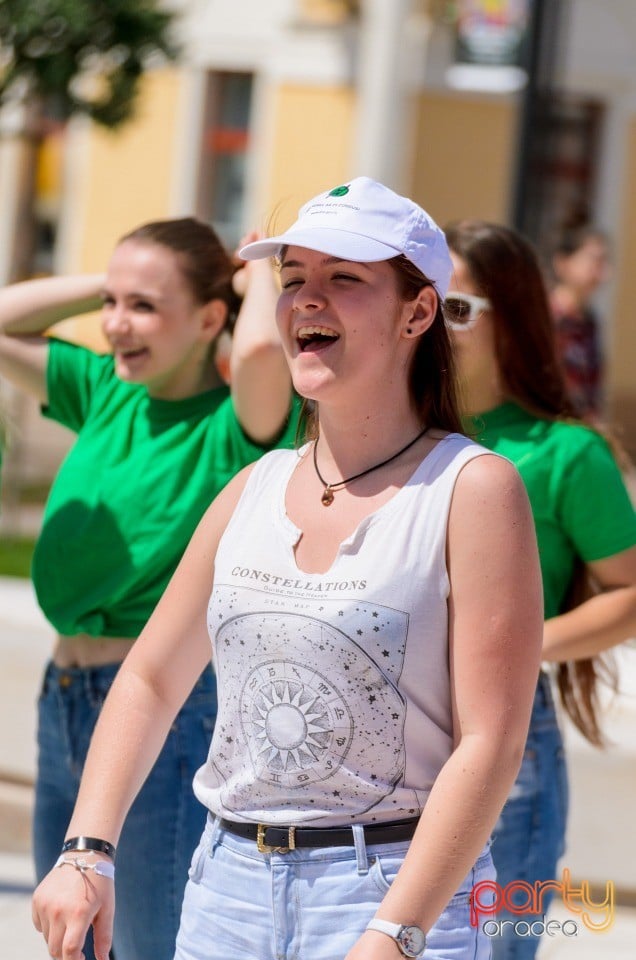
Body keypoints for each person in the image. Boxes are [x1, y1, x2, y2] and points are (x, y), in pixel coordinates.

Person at [32, 177, 544, 960]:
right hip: (225, 889)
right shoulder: (253, 486)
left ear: (418, 311)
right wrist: (86, 853)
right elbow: (149, 680)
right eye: (294, 279)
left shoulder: (472, 490)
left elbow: (492, 742)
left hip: (391, 895)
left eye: (345, 279)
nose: (308, 299)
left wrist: (394, 934)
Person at [0, 216, 298, 960]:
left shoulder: (240, 424)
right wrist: (116, 282)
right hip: (64, 695)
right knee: (69, 934)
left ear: (207, 319)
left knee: (148, 944)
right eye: (111, 302)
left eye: (144, 307)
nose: (115, 325)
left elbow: (262, 346)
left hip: (166, 713)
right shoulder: (105, 388)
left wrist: (254, 270)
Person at [443, 218, 636, 960]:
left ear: (514, 319)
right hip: (378, 744)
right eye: (422, 300)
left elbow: (628, 591)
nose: (431, 322)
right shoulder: (384, 439)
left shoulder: (565, 453)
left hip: (510, 751)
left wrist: (517, 649)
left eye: (459, 307)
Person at [549, 222, 612, 420]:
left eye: (604, 262)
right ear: (563, 263)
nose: (602, 272)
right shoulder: (544, 318)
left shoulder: (589, 321)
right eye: (594, 261)